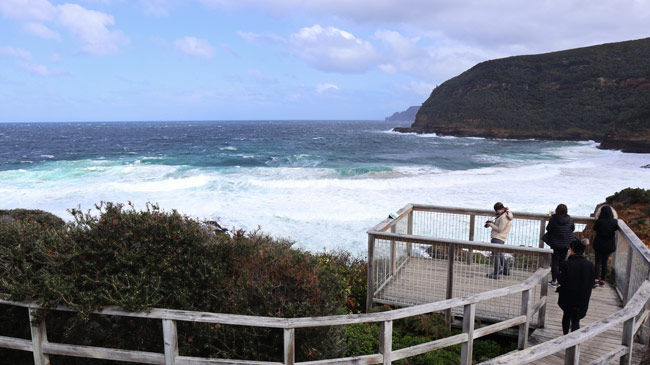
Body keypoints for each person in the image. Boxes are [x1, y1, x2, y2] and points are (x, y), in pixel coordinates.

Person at [557, 238, 595, 334]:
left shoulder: (566, 264)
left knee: (566, 315)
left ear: (572, 250)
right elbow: (592, 282)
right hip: (582, 297)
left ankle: (565, 336)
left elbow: (561, 280)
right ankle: (573, 341)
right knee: (576, 319)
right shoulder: (590, 265)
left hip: (567, 297)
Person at [545, 204, 575, 287]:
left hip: (555, 243)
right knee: (562, 261)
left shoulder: (554, 218)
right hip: (565, 243)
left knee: (555, 261)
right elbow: (572, 228)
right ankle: (561, 281)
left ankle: (554, 281)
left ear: (557, 210)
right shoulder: (569, 219)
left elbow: (548, 228)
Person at [592, 205, 619, 287]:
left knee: (598, 262)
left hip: (599, 244)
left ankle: (596, 279)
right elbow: (615, 228)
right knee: (605, 262)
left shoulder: (599, 221)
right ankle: (602, 280)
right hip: (609, 245)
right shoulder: (614, 222)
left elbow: (595, 229)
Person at [485, 202, 513, 279]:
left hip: (498, 238)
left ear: (500, 209)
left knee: (496, 255)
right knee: (499, 254)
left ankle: (496, 274)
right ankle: (506, 270)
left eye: (496, 211)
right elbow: (500, 226)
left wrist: (491, 225)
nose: (496, 212)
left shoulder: (503, 217)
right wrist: (493, 223)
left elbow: (500, 229)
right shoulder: (506, 215)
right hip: (501, 238)